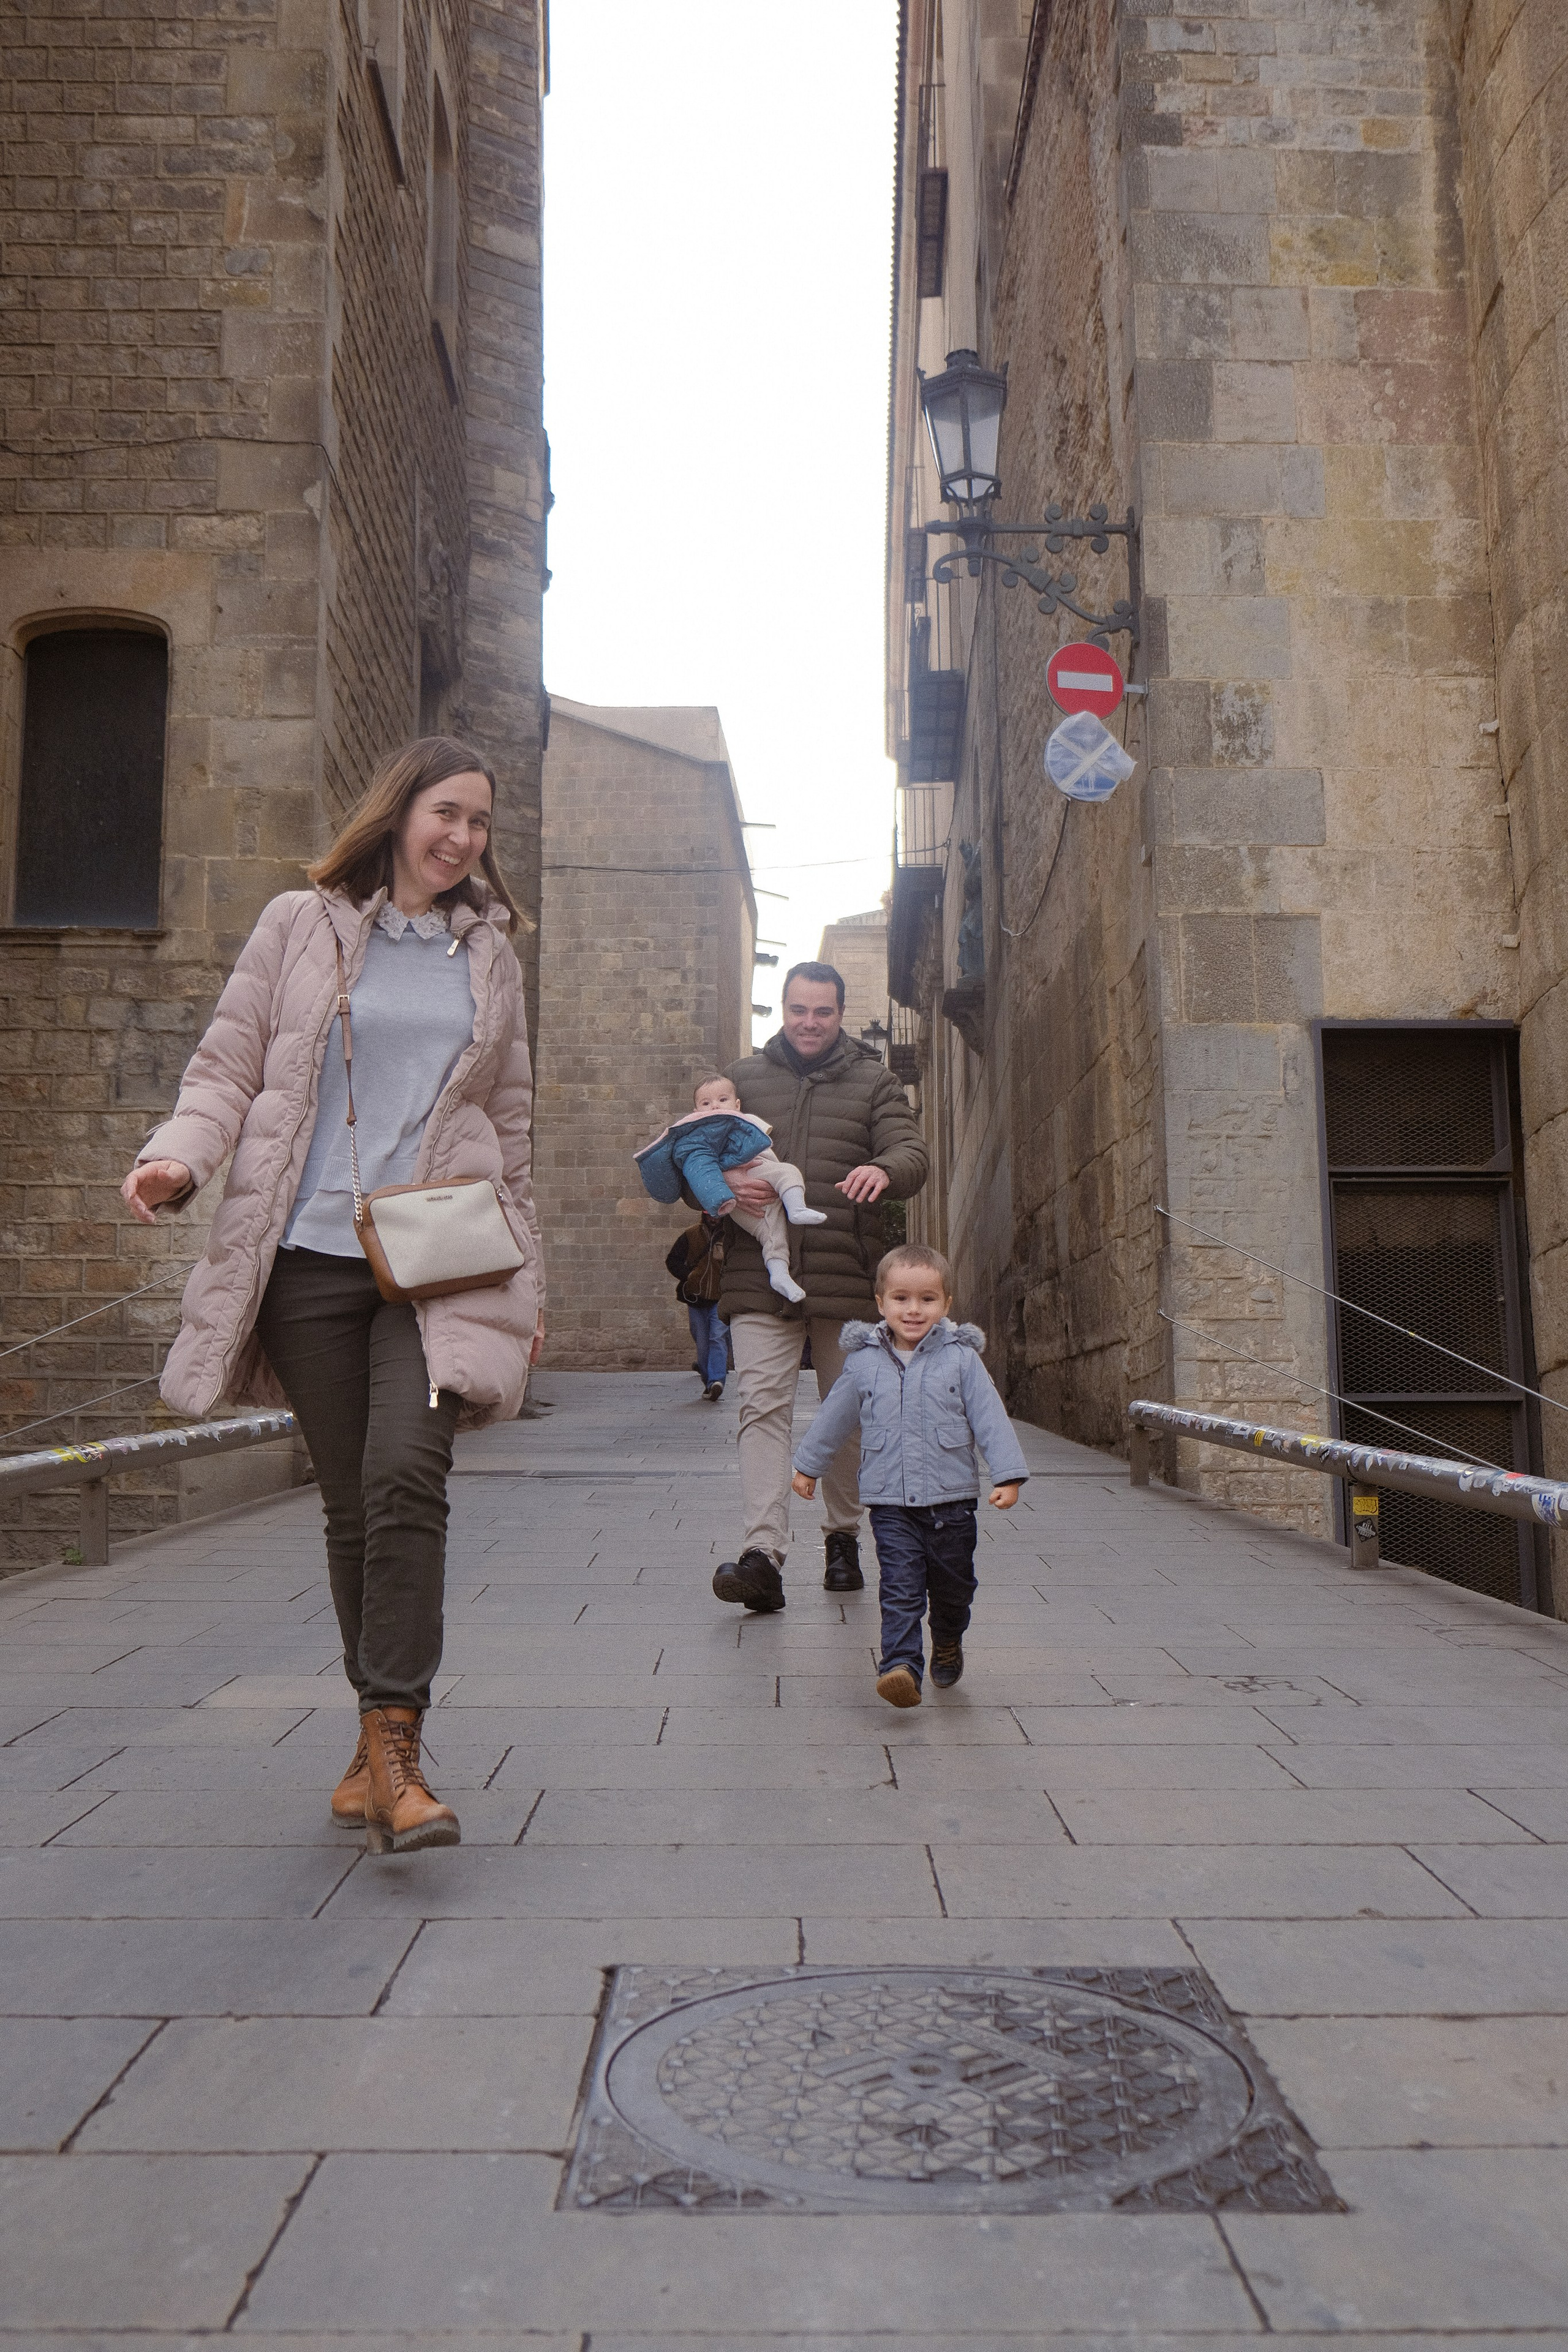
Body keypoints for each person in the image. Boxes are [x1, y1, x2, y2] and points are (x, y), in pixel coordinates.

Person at [121, 736, 545, 1856]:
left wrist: (529, 1278)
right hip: (307, 1261)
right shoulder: (297, 925)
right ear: (399, 812)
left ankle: (397, 1747)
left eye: (480, 824)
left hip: (435, 1263)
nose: (461, 840)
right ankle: (373, 1742)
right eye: (445, 813)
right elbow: (227, 1067)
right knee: (354, 1505)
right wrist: (179, 1158)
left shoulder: (490, 957)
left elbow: (510, 1132)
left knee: (410, 1474)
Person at [703, 960, 928, 1613]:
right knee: (761, 1408)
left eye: (822, 1012)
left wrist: (884, 1169)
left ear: (839, 1013)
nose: (809, 1022)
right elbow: (688, 1154)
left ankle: (841, 1536)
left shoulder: (874, 1081)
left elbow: (912, 1154)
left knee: (846, 1412)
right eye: (799, 1010)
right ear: (783, 1009)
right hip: (757, 1276)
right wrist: (720, 1187)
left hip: (846, 1273)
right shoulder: (740, 1081)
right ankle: (761, 1555)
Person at [791, 1243, 1028, 1706]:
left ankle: (948, 1639)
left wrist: (1008, 1475)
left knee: (953, 1588)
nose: (914, 1310)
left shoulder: (961, 1359)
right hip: (891, 1504)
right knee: (900, 1587)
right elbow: (834, 1417)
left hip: (952, 1502)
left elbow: (990, 1418)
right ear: (881, 1303)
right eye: (901, 1298)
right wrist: (807, 1466)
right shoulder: (863, 1362)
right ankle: (900, 1666)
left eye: (927, 1299)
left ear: (946, 1305)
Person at [637, 1074, 826, 1303]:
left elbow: (762, 1135)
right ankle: (785, 1254)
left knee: (783, 1195)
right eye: (706, 1104)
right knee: (776, 1216)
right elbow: (699, 1168)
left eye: (723, 1100)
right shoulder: (697, 1137)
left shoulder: (745, 1120)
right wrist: (720, 1194)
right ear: (696, 1112)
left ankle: (791, 1227)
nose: (715, 1106)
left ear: (737, 1105)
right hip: (739, 1191)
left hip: (766, 1177)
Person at [666, 1214, 730, 1401]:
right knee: (702, 1343)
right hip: (696, 1299)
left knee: (717, 1337)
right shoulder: (691, 1235)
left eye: (717, 1214)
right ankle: (708, 1381)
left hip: (720, 1298)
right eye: (710, 1214)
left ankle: (717, 1381)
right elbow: (672, 1261)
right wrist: (689, 1275)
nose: (714, 1218)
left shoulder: (730, 1238)